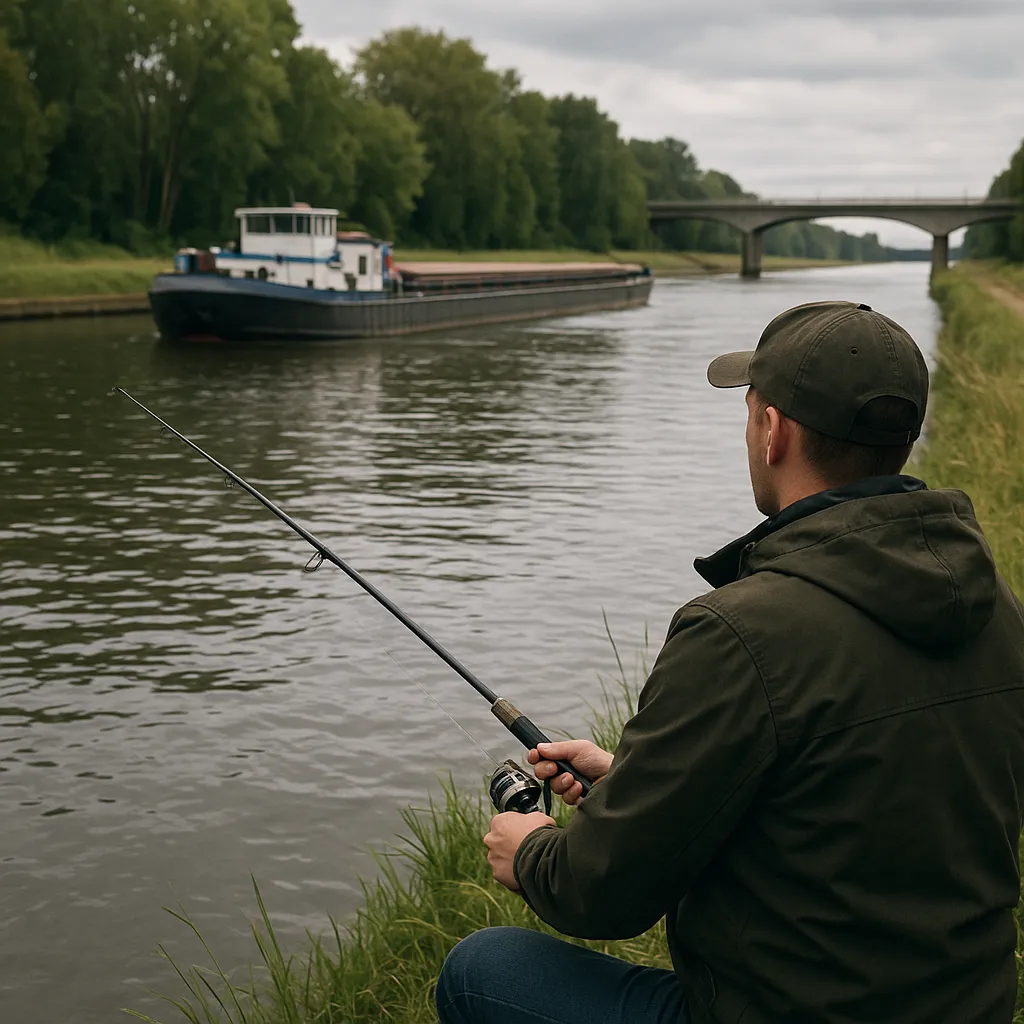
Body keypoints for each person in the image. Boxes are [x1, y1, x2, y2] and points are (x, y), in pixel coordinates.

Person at [434, 300, 1024, 1024]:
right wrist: (640, 786)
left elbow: (602, 895)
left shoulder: (738, 633)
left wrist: (530, 852)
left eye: (751, 412)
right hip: (971, 1009)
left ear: (772, 430)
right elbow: (866, 803)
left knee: (481, 970)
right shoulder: (993, 602)